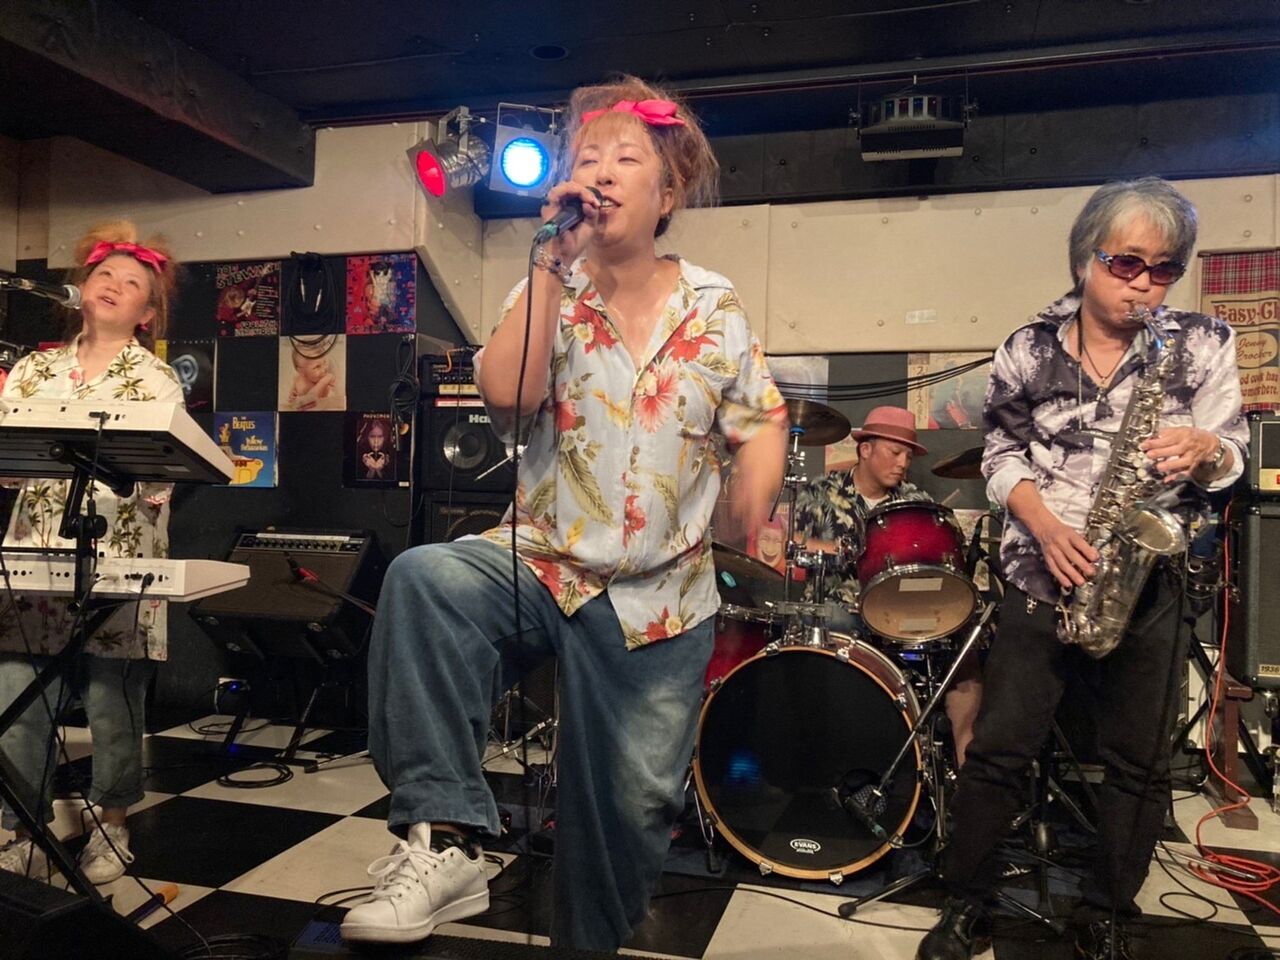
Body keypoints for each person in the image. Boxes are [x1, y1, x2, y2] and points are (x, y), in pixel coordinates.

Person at [341, 77, 787, 952]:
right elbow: (507, 398)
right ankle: (448, 838)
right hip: (541, 559)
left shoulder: (714, 304)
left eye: (627, 158)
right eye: (589, 157)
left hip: (661, 600)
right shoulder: (545, 287)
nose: (603, 172)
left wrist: (755, 492)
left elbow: (761, 418)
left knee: (625, 816)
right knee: (425, 580)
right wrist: (549, 263)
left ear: (668, 194)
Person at [916, 177, 1247, 960]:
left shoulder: (1203, 343)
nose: (1144, 284)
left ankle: (1108, 909)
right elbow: (999, 457)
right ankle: (967, 901)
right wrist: (1044, 524)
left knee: (1138, 764)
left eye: (1163, 269)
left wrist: (1208, 448)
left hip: (1150, 585)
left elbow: (1232, 457)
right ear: (1085, 259)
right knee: (1001, 749)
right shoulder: (1027, 349)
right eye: (1125, 263)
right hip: (1042, 573)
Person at [0, 221, 183, 885]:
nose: (112, 286)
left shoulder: (158, 379)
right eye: (105, 274)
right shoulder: (34, 369)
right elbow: (9, 468)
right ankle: (24, 827)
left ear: (147, 312)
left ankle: (113, 824)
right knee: (17, 693)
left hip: (117, 561)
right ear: (82, 287)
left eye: (131, 283)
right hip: (33, 557)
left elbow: (159, 479)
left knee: (112, 701)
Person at [792, 405, 983, 766]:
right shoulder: (820, 493)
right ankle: (836, 754)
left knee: (964, 646)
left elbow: (938, 562)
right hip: (841, 606)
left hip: (899, 609)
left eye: (908, 456)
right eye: (895, 452)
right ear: (865, 449)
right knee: (834, 619)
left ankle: (967, 770)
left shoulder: (915, 502)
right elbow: (794, 547)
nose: (903, 463)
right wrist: (844, 551)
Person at [286, 341, 337, 410]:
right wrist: (292, 396)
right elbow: (293, 395)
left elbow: (311, 397)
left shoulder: (327, 378)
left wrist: (324, 381)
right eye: (317, 366)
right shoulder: (297, 378)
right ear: (301, 371)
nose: (324, 369)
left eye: (324, 362)